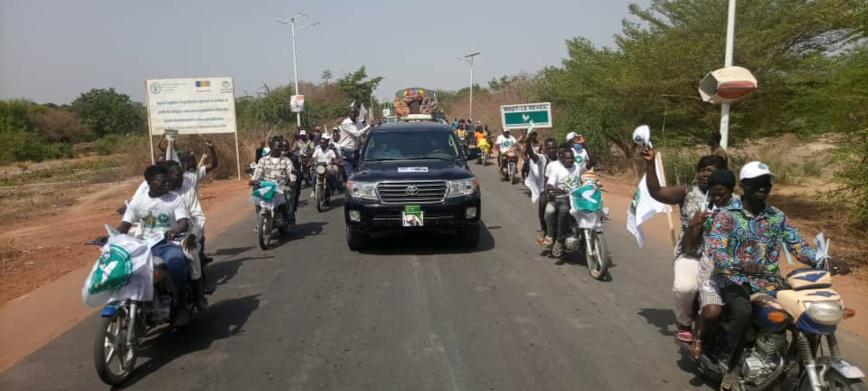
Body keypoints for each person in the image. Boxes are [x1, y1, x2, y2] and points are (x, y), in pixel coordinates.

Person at [703, 161, 849, 390]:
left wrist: (827, 260)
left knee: (807, 311)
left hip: (770, 282)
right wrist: (740, 263)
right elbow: (716, 251)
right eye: (757, 183)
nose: (763, 187)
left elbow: (800, 248)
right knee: (743, 311)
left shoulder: (776, 216)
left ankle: (803, 369)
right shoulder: (727, 216)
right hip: (733, 279)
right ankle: (733, 368)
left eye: (767, 182)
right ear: (744, 185)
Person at [639, 146, 728, 344]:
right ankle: (685, 323)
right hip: (691, 254)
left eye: (710, 170)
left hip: (724, 259)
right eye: (702, 170)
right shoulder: (688, 192)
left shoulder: (735, 201)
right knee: (685, 287)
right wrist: (650, 164)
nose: (705, 174)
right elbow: (657, 192)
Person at [118, 164, 193, 325]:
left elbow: (184, 222)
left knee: (176, 263)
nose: (167, 184)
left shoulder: (175, 199)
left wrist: (176, 229)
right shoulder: (138, 202)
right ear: (150, 182)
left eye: (167, 181)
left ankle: (181, 303)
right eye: (162, 182)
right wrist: (112, 237)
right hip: (145, 246)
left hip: (169, 244)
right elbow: (125, 224)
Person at [544, 147, 584, 257]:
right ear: (562, 159)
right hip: (562, 198)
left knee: (590, 209)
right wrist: (554, 189)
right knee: (564, 210)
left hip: (576, 197)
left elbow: (588, 170)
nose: (570, 160)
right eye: (567, 158)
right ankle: (559, 240)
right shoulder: (557, 170)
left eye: (571, 158)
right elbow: (549, 185)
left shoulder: (577, 167)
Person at [250, 138, 297, 228]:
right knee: (257, 196)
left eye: (281, 147)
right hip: (267, 185)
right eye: (278, 147)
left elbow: (291, 172)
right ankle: (259, 220)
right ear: (271, 147)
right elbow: (258, 172)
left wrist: (292, 180)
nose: (280, 149)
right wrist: (253, 180)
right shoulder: (263, 160)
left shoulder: (286, 160)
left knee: (288, 196)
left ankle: (289, 218)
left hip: (281, 185)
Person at [525, 137, 559, 246]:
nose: (552, 150)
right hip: (546, 190)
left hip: (562, 190)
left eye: (554, 147)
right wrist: (528, 143)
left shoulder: (562, 158)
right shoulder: (542, 159)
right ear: (545, 149)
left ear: (557, 148)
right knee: (542, 206)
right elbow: (532, 155)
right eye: (549, 148)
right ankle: (544, 228)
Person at [337, 106, 373, 179]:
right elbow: (357, 134)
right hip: (347, 151)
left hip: (356, 151)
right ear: (348, 113)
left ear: (357, 113)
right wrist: (370, 126)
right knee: (351, 176)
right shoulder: (346, 123)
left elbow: (363, 133)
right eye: (351, 112)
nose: (352, 114)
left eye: (354, 112)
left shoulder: (358, 122)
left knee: (358, 173)